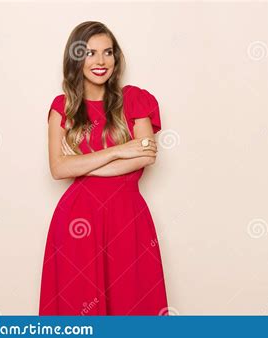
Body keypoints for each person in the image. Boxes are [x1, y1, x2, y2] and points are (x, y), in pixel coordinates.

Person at [39, 21, 169, 316]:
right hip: (77, 222)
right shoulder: (63, 107)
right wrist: (119, 150)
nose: (101, 61)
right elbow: (58, 169)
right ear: (76, 58)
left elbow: (146, 155)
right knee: (80, 307)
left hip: (128, 217)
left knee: (133, 302)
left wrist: (81, 165)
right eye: (90, 52)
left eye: (107, 52)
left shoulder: (135, 99)